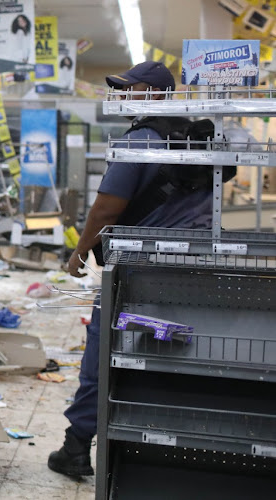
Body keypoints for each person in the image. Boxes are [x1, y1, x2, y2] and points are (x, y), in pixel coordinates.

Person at [48, 61, 214, 477]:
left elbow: (107, 206)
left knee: (104, 355)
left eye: (130, 88)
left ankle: (76, 447)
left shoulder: (140, 140)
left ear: (156, 93)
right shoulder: (193, 140)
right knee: (173, 358)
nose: (122, 96)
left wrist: (80, 252)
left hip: (136, 273)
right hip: (191, 271)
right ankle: (157, 451)